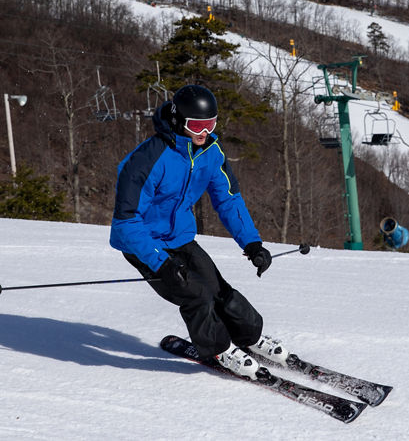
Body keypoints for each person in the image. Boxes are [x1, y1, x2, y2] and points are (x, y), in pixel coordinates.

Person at [110, 84, 288, 378]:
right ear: (179, 121)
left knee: (218, 290)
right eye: (197, 125)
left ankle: (251, 339)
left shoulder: (210, 153)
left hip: (180, 238)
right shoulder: (147, 159)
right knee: (195, 294)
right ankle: (219, 348)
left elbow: (228, 199)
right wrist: (160, 262)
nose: (205, 132)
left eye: (211, 124)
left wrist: (252, 243)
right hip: (142, 243)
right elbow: (126, 222)